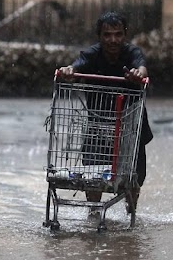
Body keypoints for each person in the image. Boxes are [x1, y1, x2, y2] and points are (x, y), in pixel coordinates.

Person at [58, 11, 153, 213]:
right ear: (99, 36)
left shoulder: (132, 53)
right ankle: (94, 212)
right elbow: (77, 65)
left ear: (125, 35)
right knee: (93, 173)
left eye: (118, 34)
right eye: (107, 35)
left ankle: (131, 213)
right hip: (98, 125)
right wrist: (69, 71)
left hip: (130, 125)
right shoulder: (92, 55)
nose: (113, 40)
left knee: (134, 177)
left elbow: (142, 68)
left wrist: (138, 74)